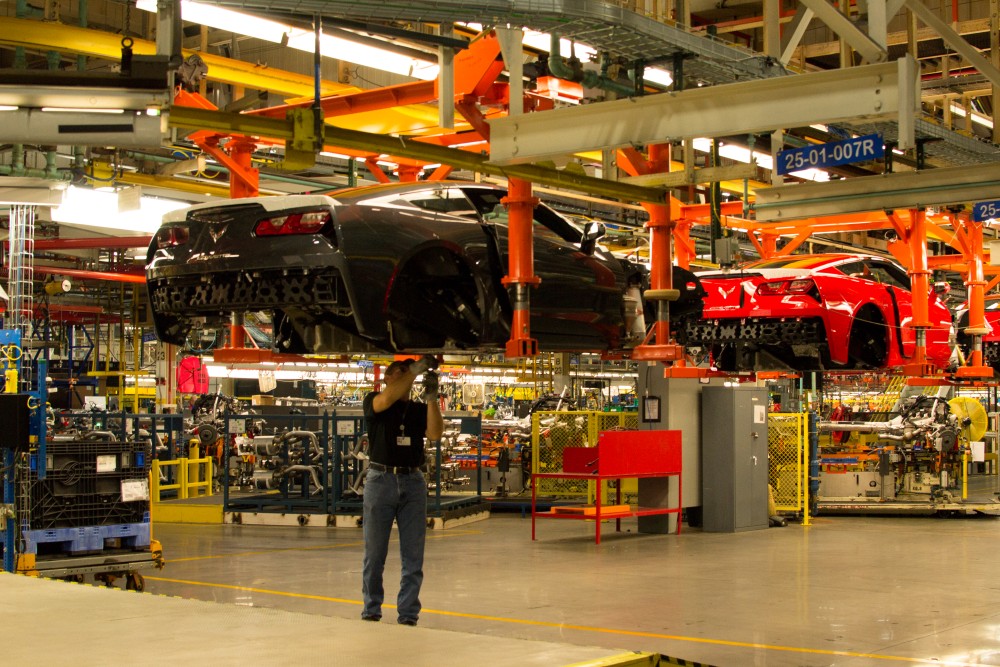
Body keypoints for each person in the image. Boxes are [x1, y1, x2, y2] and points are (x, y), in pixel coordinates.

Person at [361, 355, 443, 626]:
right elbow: (388, 398)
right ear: (388, 377)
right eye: (402, 372)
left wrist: (432, 397)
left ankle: (408, 613)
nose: (408, 376)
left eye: (410, 372)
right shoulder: (374, 400)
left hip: (412, 482)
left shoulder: (418, 410)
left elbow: (434, 434)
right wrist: (417, 368)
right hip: (380, 480)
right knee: (375, 554)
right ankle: (372, 608)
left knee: (413, 555)